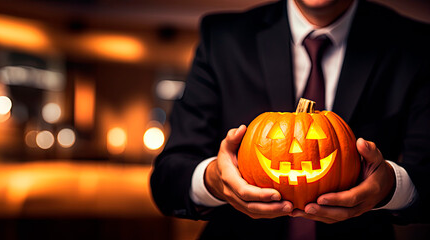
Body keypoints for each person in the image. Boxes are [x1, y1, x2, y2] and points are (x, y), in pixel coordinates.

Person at [150, 0, 430, 239]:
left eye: (314, 141)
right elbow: (167, 180)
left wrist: (392, 186)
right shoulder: (222, 38)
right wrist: (215, 180)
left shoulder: (415, 45)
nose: (298, 149)